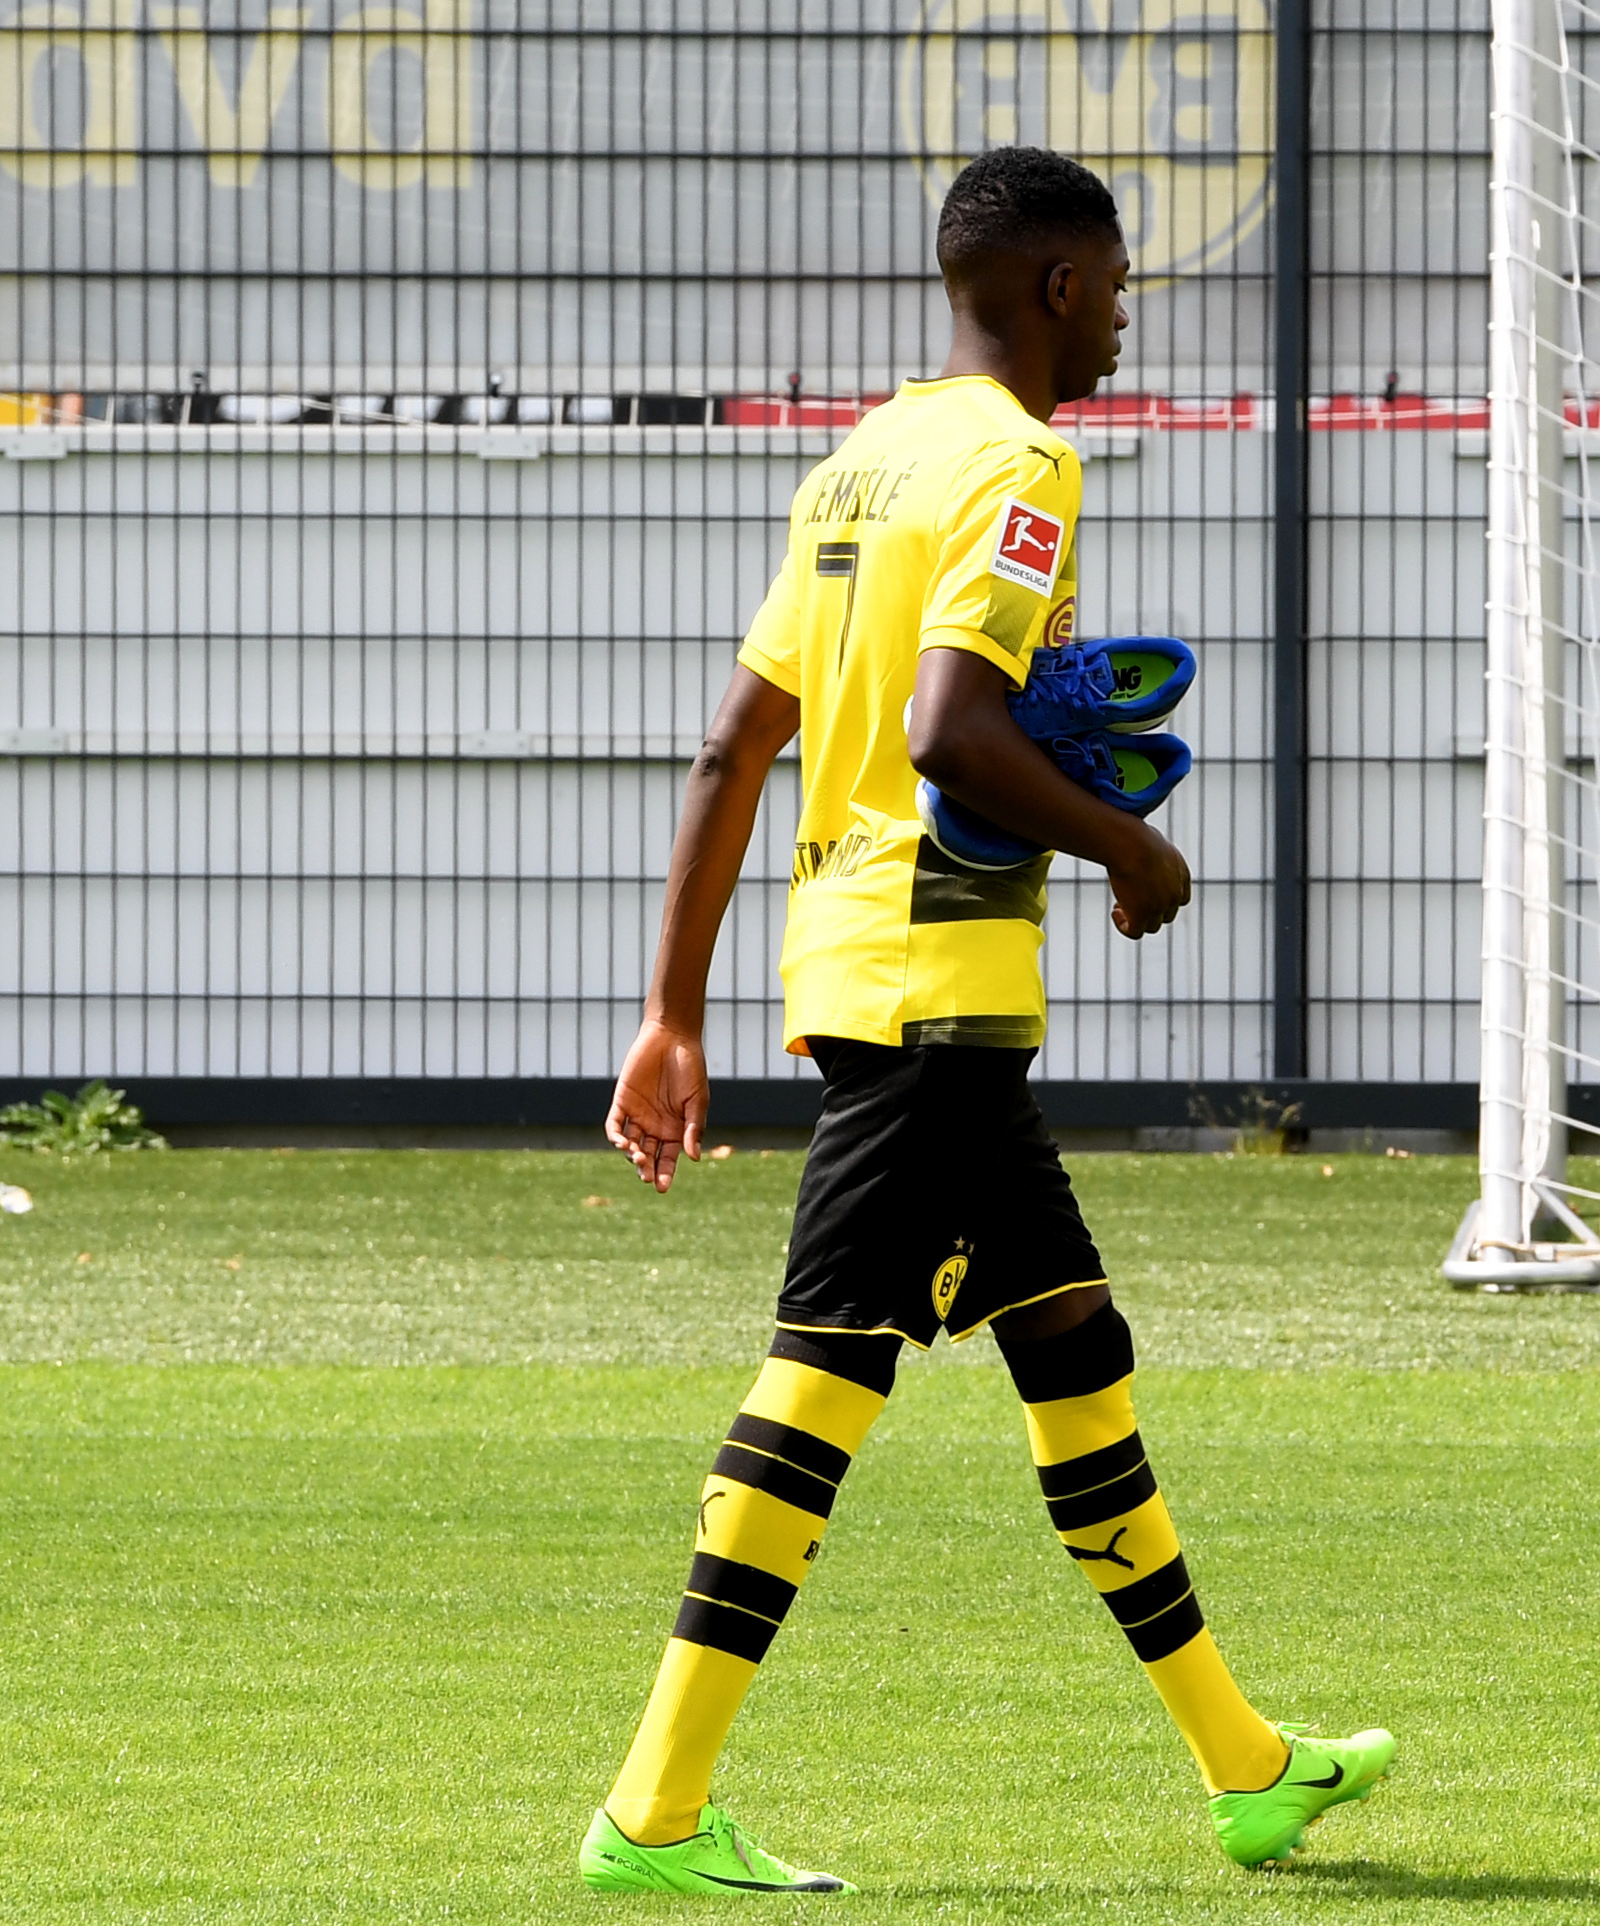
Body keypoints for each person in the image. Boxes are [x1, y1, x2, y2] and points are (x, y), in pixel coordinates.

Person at [575, 146, 1395, 1897]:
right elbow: (952, 729)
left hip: (875, 979)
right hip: (934, 992)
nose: (1120, 315)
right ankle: (648, 1812)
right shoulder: (1024, 461)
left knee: (1074, 1350)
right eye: (1111, 283)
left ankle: (1247, 1767)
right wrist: (1125, 836)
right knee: (820, 1376)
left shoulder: (864, 458)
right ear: (1052, 286)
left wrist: (671, 1013)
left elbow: (736, 748)